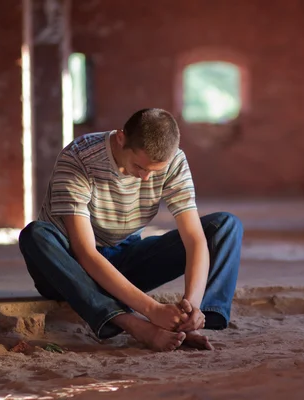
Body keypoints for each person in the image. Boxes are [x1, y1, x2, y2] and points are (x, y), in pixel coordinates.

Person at [18, 108, 243, 352]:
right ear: (121, 138)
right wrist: (151, 310)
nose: (145, 178)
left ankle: (194, 323)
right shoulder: (78, 158)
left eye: (154, 172)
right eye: (139, 166)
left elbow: (194, 239)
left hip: (123, 259)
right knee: (35, 235)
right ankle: (129, 323)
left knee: (224, 226)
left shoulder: (175, 161)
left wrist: (190, 309)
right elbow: (86, 253)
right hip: (70, 269)